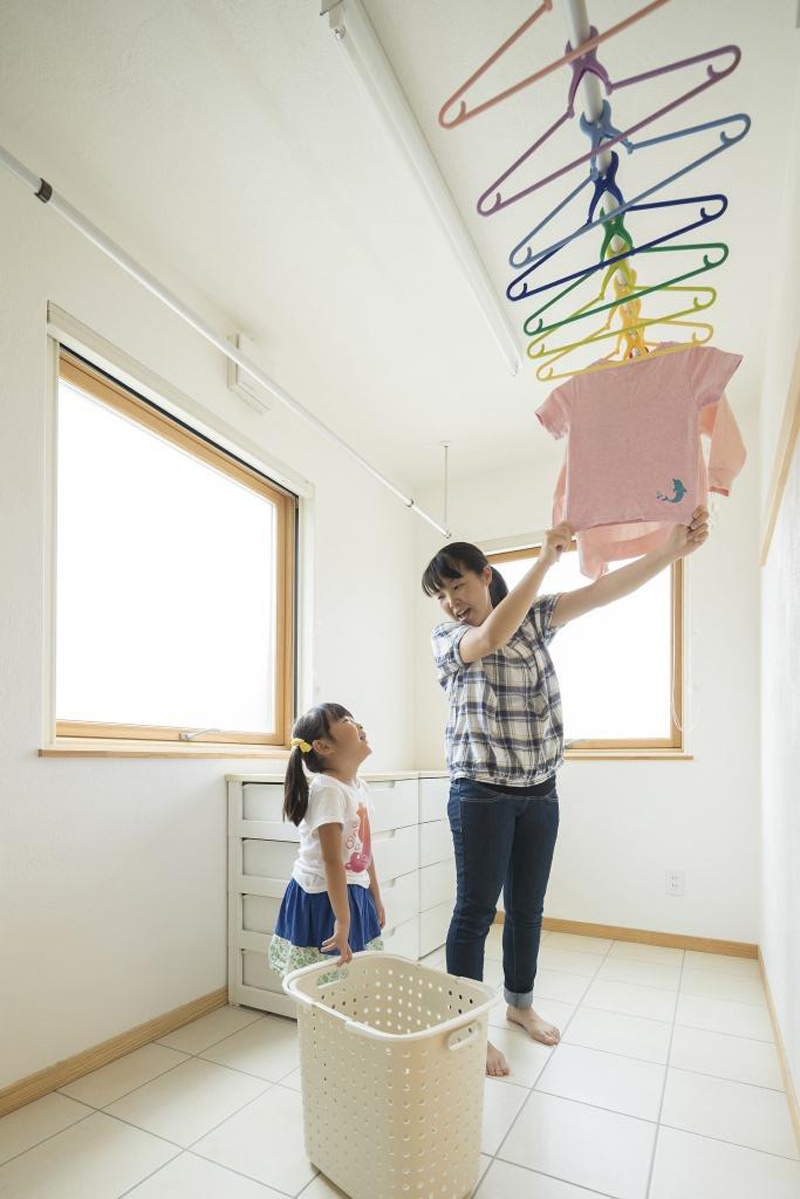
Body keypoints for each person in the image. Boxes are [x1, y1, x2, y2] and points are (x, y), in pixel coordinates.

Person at [422, 509, 710, 1076]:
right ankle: (467, 1026)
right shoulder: (450, 637)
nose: (452, 600)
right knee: (475, 912)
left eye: (458, 584)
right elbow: (494, 634)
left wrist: (671, 551)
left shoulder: (536, 616)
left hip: (539, 790)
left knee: (527, 909)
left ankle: (520, 1006)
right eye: (441, 594)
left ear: (484, 575)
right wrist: (545, 557)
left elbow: (603, 591)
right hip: (480, 792)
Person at [268, 703, 385, 978]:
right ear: (323, 747)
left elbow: (364, 849)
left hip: (352, 892)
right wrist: (342, 920)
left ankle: (345, 1020)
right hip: (322, 897)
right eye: (346, 720)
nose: (358, 725)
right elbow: (331, 860)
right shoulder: (327, 789)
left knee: (353, 975)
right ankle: (323, 1021)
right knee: (324, 978)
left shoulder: (358, 787)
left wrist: (375, 896)